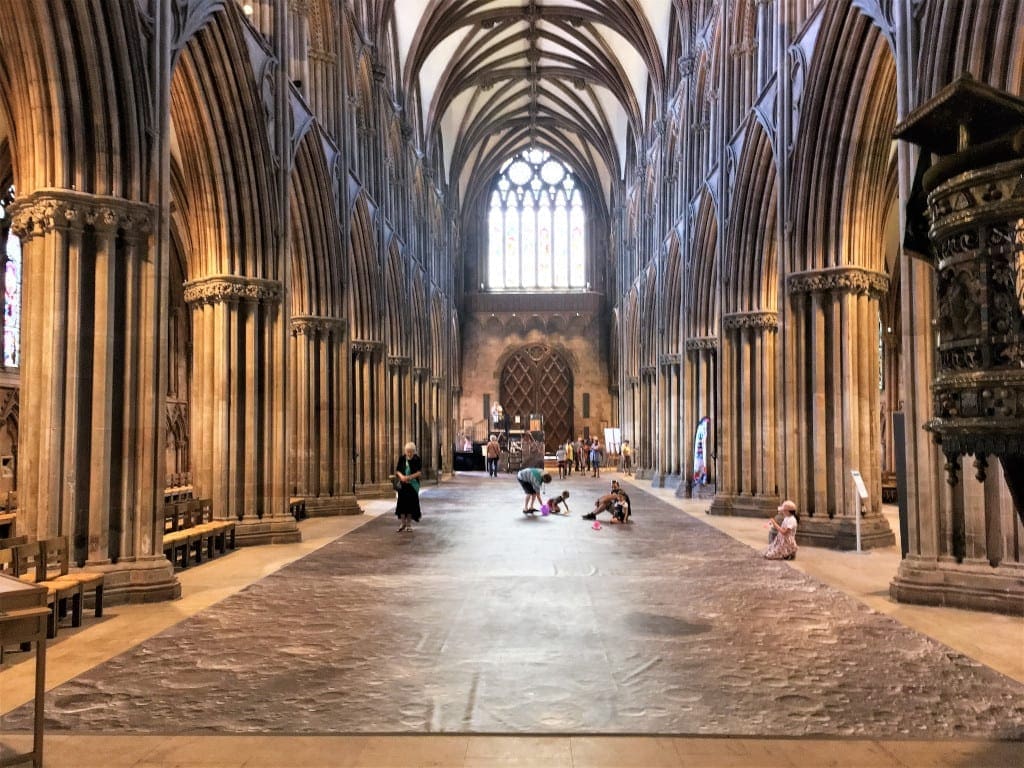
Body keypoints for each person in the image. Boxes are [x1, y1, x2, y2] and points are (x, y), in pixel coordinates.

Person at [394, 442, 423, 533]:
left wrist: (409, 477)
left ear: (414, 451)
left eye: (411, 452)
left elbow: (419, 472)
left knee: (411, 504)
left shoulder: (416, 459)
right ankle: (402, 523)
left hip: (412, 485)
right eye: (407, 451)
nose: (409, 453)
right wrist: (402, 477)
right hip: (403, 485)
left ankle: (409, 524)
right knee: (402, 504)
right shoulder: (402, 458)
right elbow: (397, 470)